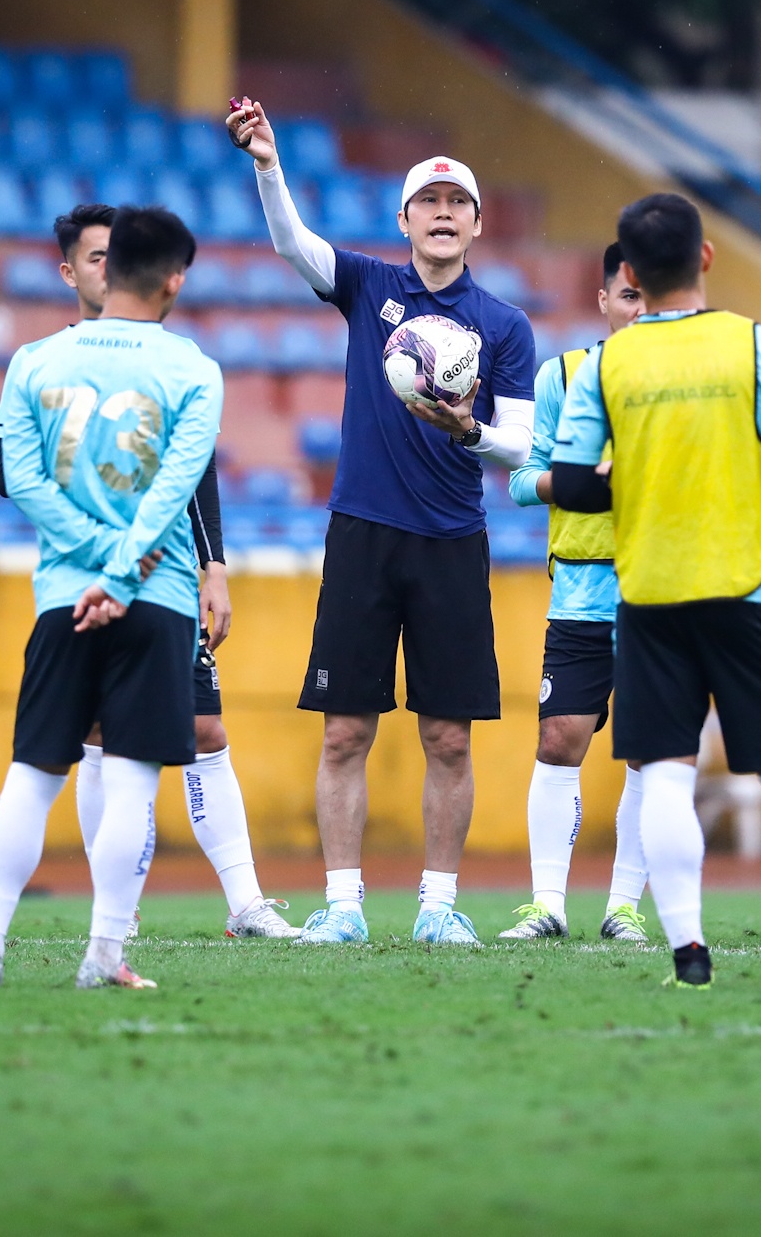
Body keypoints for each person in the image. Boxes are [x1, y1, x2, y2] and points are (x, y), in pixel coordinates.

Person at [0, 205, 278, 989]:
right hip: (153, 599)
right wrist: (124, 573)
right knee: (128, 776)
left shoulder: (33, 361)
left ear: (106, 263)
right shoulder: (194, 369)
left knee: (32, 773)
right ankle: (103, 958)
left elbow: (19, 478)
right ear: (175, 280)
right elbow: (172, 492)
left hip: (64, 595)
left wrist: (90, 563)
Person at [228, 100, 536, 946]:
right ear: (404, 220)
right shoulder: (369, 286)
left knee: (448, 736)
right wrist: (266, 163)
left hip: (450, 541)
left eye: (458, 203)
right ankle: (343, 906)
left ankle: (438, 906)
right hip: (362, 531)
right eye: (428, 203)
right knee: (344, 732)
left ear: (476, 224)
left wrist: (468, 431)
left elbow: (524, 445)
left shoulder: (505, 326)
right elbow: (294, 244)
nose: (443, 214)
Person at [550, 192, 761, 991]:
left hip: (650, 598)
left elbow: (569, 486)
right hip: (744, 593)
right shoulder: (758, 348)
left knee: (664, 773)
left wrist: (636, 476)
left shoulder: (606, 362)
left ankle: (689, 959)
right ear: (707, 257)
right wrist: (738, 454)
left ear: (629, 272)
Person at [496, 243, 649, 942]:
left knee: (652, 750)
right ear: (604, 301)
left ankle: (624, 908)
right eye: (628, 297)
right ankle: (548, 903)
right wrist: (590, 478)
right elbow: (523, 481)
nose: (639, 311)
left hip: (662, 594)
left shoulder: (686, 386)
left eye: (651, 297)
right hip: (583, 594)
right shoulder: (563, 375)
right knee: (559, 742)